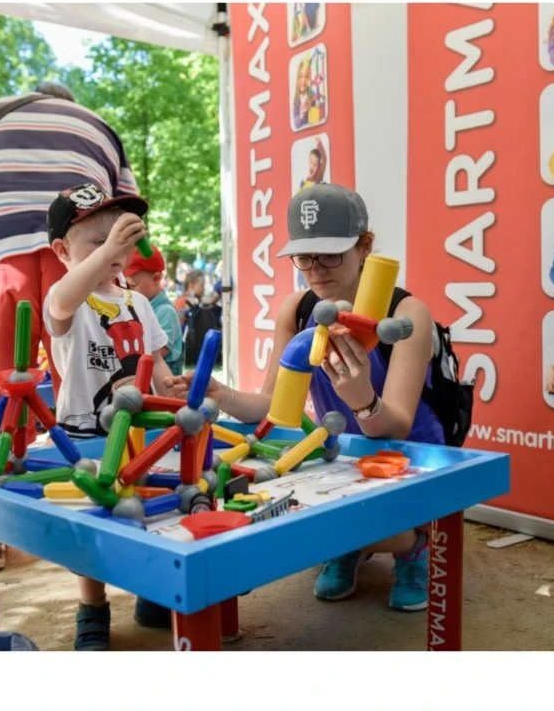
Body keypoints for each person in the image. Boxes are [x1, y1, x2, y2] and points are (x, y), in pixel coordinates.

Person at [187, 184, 442, 611]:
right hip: (344, 459)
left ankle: (413, 545)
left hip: (411, 459)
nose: (315, 270)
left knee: (347, 526)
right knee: (284, 510)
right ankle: (350, 543)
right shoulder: (299, 308)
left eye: (329, 255)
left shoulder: (406, 313)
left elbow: (397, 426)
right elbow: (274, 407)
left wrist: (362, 400)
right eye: (304, 257)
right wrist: (220, 393)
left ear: (364, 246)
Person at [42, 182, 187, 650]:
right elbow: (62, 301)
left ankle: (148, 592)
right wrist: (106, 253)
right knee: (90, 522)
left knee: (142, 507)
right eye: (98, 240)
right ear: (62, 251)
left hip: (136, 431)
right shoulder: (67, 298)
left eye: (120, 239)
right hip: (86, 431)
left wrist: (171, 387)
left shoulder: (138, 302)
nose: (115, 250)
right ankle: (93, 606)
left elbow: (155, 363)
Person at [0, 83, 140, 445]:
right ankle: (99, 458)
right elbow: (128, 222)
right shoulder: (97, 124)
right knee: (100, 397)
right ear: (69, 103)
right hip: (84, 255)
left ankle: (2, 465)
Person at [124, 244, 184, 376]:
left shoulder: (165, 312)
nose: (128, 292)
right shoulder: (137, 307)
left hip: (164, 383)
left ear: (156, 279)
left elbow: (157, 354)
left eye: (133, 286)